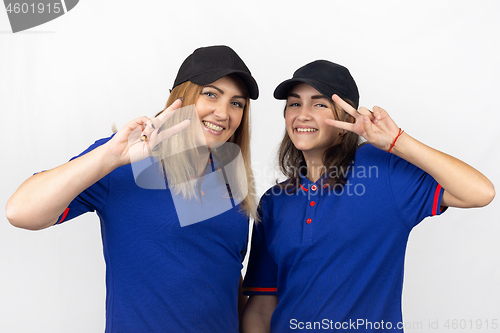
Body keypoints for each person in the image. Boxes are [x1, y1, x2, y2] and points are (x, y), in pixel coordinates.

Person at [6, 45, 259, 332]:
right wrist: (108, 157)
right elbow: (20, 211)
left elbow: (225, 277)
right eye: (211, 94)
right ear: (182, 97)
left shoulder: (231, 182)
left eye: (237, 103)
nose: (223, 113)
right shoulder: (124, 161)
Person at [241, 60, 495, 332]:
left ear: (346, 121)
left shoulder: (383, 171)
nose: (302, 115)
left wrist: (397, 141)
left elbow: (480, 192)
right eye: (294, 104)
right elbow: (261, 307)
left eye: (319, 104)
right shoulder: (274, 201)